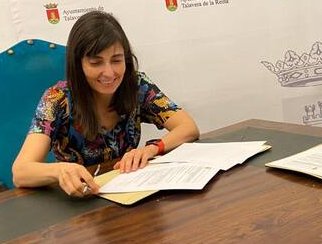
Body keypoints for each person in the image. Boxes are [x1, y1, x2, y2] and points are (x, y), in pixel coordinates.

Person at [12, 11, 200, 197]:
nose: (109, 73)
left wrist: (152, 148)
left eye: (116, 60)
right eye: (96, 63)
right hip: (81, 200)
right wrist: (60, 170)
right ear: (78, 64)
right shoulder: (56, 98)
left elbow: (188, 127)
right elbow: (20, 172)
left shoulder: (137, 85)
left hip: (130, 192)